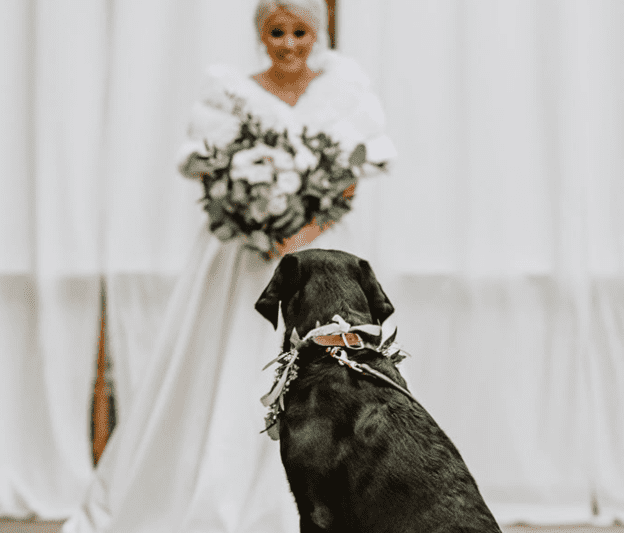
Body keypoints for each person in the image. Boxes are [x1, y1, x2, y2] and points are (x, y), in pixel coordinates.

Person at [62, 1, 396, 531]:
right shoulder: (230, 93)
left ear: (318, 33)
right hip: (241, 259)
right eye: (276, 32)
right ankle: (216, 491)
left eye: (299, 32)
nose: (288, 43)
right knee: (228, 365)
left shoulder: (344, 90)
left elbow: (351, 176)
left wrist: (302, 234)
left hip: (319, 254)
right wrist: (252, 219)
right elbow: (210, 172)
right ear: (261, 34)